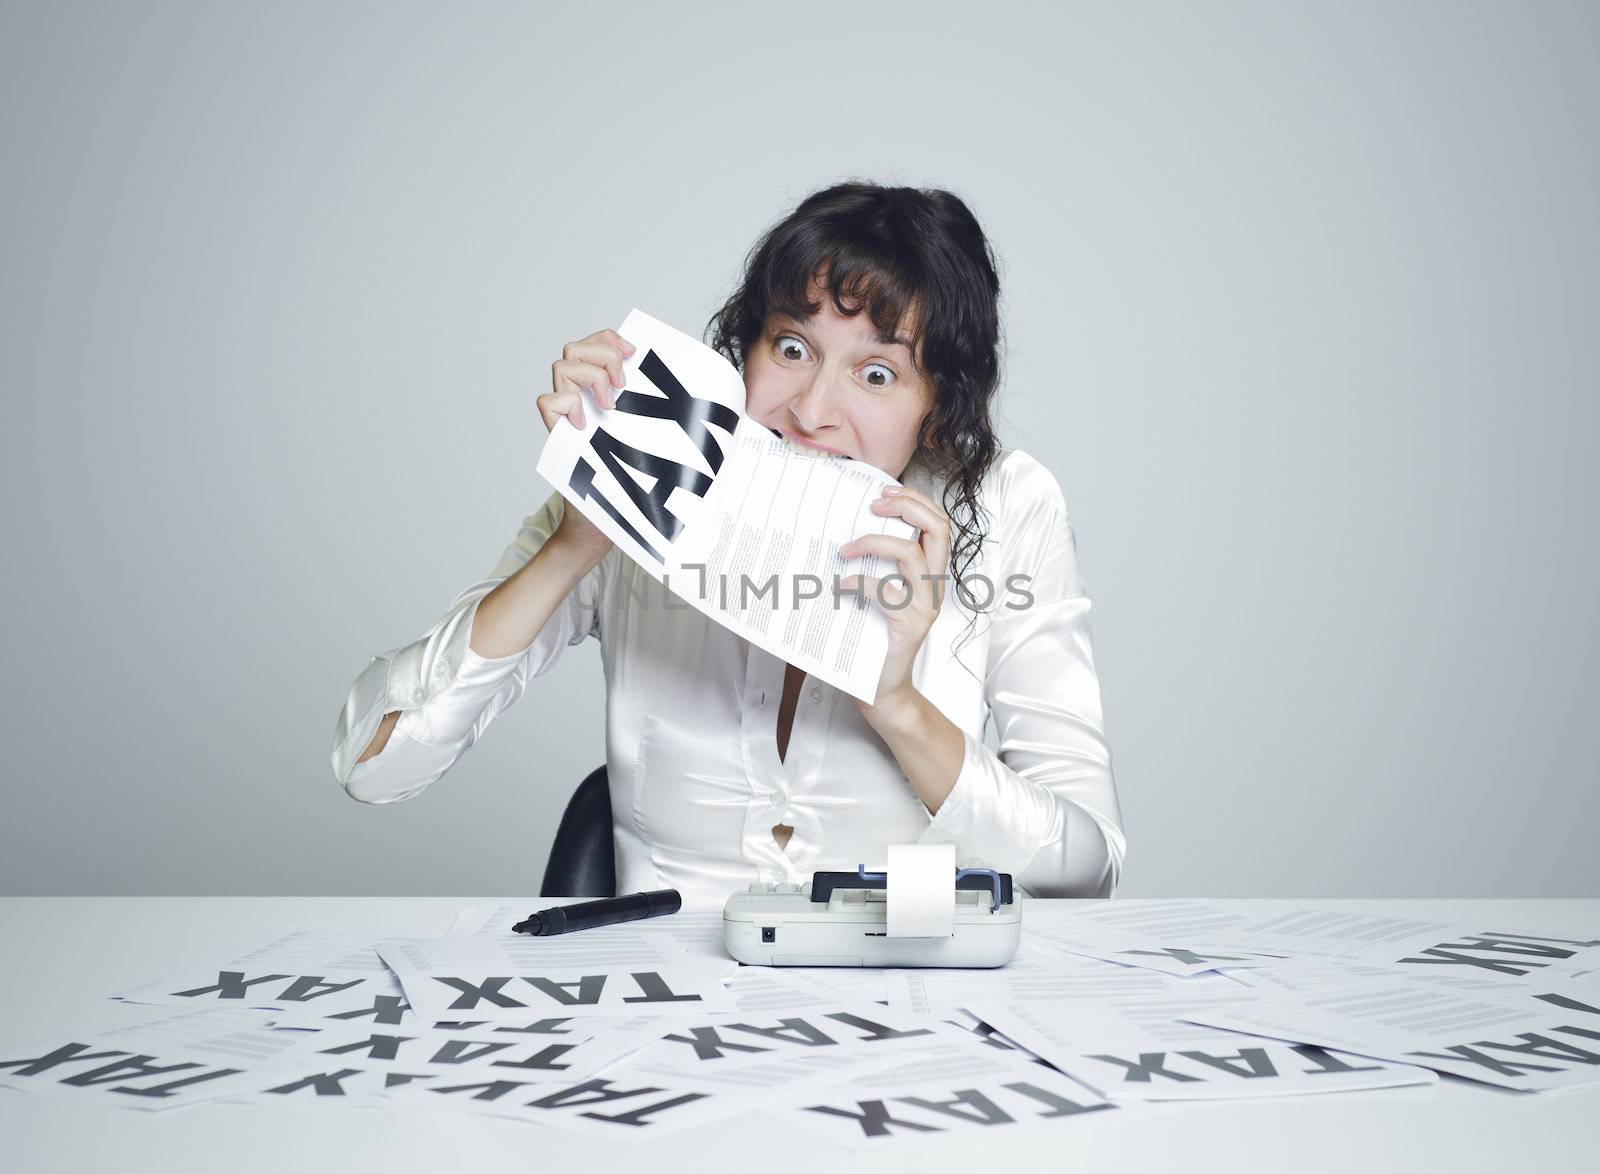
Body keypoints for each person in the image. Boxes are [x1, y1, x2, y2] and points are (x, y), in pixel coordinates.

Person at [330, 181, 1125, 903]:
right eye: (791, 348)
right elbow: (375, 764)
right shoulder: (643, 485)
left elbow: (1086, 867)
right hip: (657, 1011)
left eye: (876, 374)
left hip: (908, 1008)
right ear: (743, 349)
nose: (813, 410)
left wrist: (898, 706)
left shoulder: (1007, 507)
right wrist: (572, 546)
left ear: (936, 408)